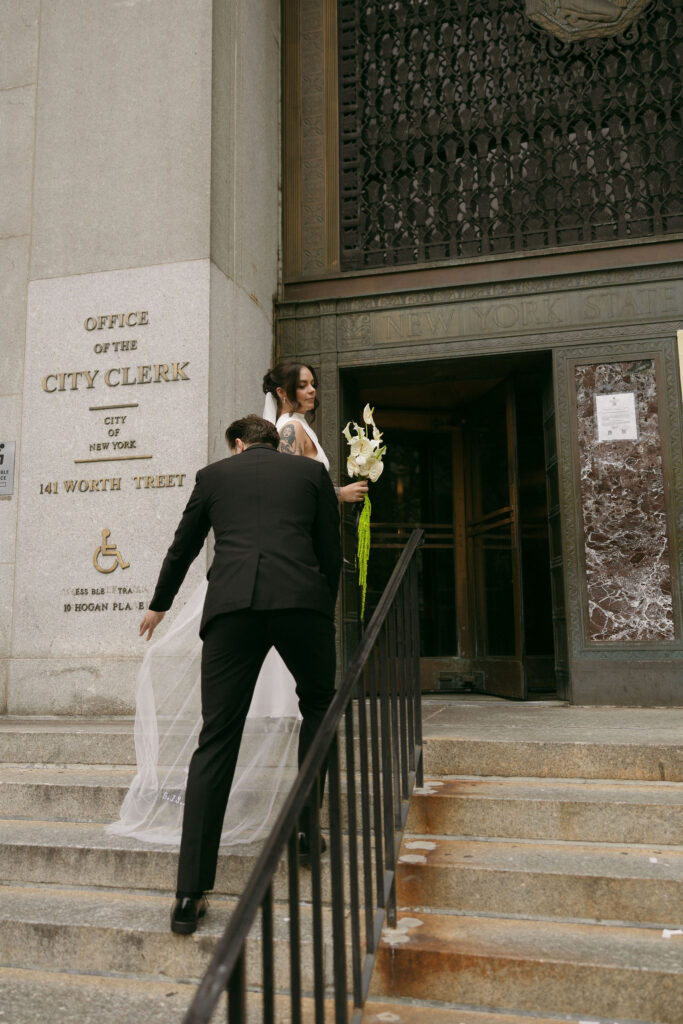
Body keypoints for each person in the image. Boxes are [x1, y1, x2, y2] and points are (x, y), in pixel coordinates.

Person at [137, 414, 341, 934]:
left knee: (217, 737)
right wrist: (321, 605)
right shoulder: (311, 476)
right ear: (275, 442)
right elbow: (330, 552)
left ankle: (189, 893)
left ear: (236, 444)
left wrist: (158, 606)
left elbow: (182, 548)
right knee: (319, 703)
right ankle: (303, 825)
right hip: (300, 603)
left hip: (231, 611)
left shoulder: (213, 477)